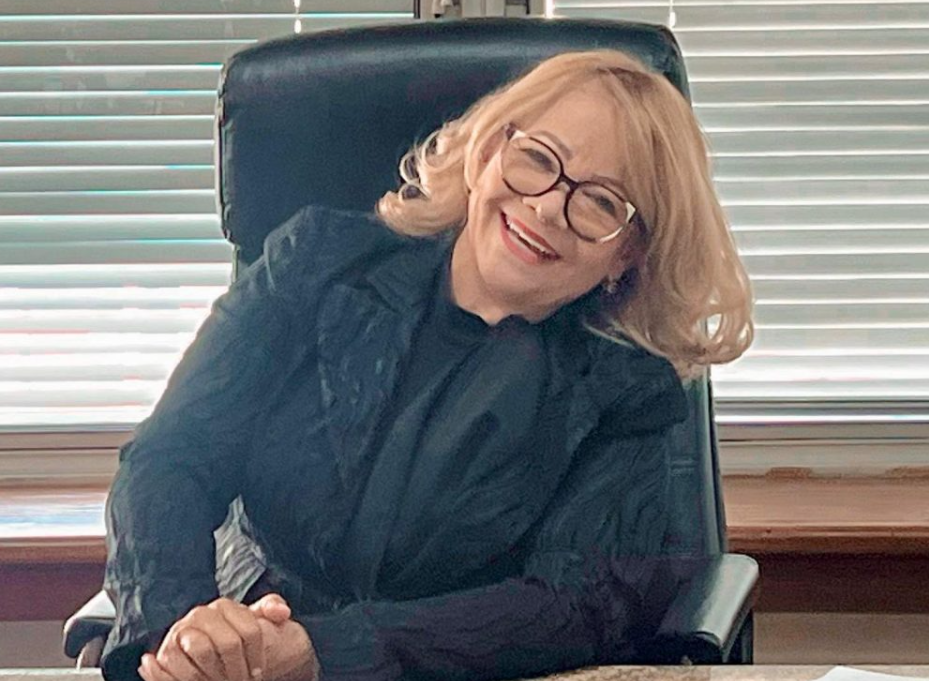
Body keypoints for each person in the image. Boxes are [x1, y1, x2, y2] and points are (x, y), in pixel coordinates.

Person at [101, 48, 754, 681]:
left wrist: (324, 651)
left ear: (626, 253)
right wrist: (185, 634)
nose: (548, 207)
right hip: (244, 653)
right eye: (538, 159)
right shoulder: (317, 261)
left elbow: (572, 605)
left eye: (602, 202)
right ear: (487, 153)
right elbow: (171, 457)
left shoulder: (631, 391)